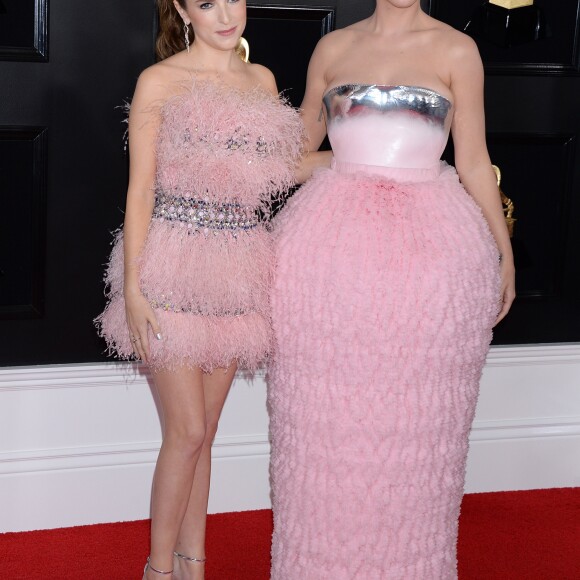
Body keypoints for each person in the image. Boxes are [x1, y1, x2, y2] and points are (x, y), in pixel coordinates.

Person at [268, 1, 515, 578]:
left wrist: (502, 252)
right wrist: (353, 163)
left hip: (429, 259)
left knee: (419, 426)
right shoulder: (333, 49)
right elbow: (293, 159)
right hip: (328, 259)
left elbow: (475, 161)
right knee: (321, 424)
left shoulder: (458, 50)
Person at [95, 1, 303, 578]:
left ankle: (194, 563)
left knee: (204, 434)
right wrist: (134, 289)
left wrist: (358, 158)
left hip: (238, 267)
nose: (225, 12)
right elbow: (140, 190)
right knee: (185, 430)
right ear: (183, 11)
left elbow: (277, 173)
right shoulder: (159, 81)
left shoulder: (261, 82)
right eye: (206, 2)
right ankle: (158, 569)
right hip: (171, 266)